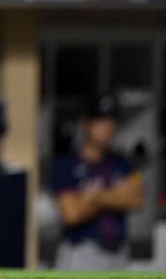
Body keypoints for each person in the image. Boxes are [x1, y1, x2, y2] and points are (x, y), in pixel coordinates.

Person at [52, 94, 144, 269]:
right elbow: (71, 214)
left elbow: (136, 199)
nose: (108, 126)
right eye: (100, 120)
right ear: (86, 123)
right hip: (81, 250)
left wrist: (94, 196)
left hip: (118, 251)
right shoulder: (66, 164)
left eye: (111, 120)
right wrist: (115, 195)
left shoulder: (122, 163)